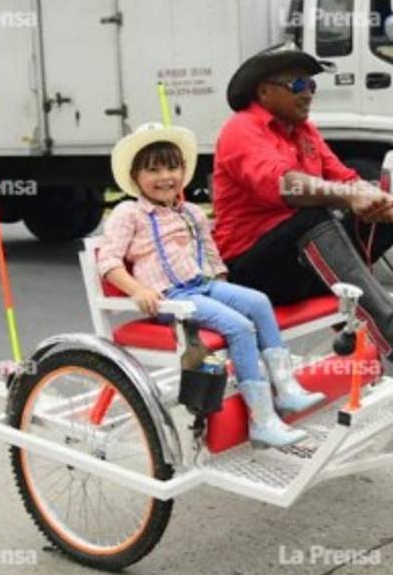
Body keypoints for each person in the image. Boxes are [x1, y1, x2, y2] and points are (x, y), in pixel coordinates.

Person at [212, 45, 393, 370]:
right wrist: (349, 196)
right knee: (314, 216)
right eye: (297, 85)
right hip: (254, 273)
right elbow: (284, 185)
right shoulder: (241, 129)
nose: (308, 94)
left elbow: (345, 177)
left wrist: (381, 199)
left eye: (312, 86)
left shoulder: (305, 132)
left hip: (303, 261)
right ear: (264, 91)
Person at [98, 123, 325, 449]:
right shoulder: (128, 213)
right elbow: (108, 262)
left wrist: (222, 285)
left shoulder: (191, 211)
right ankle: (262, 419)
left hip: (203, 286)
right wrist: (138, 290)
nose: (166, 176)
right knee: (239, 327)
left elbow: (211, 253)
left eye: (173, 167)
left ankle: (286, 388)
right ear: (135, 177)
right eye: (153, 170)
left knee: (258, 302)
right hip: (171, 300)